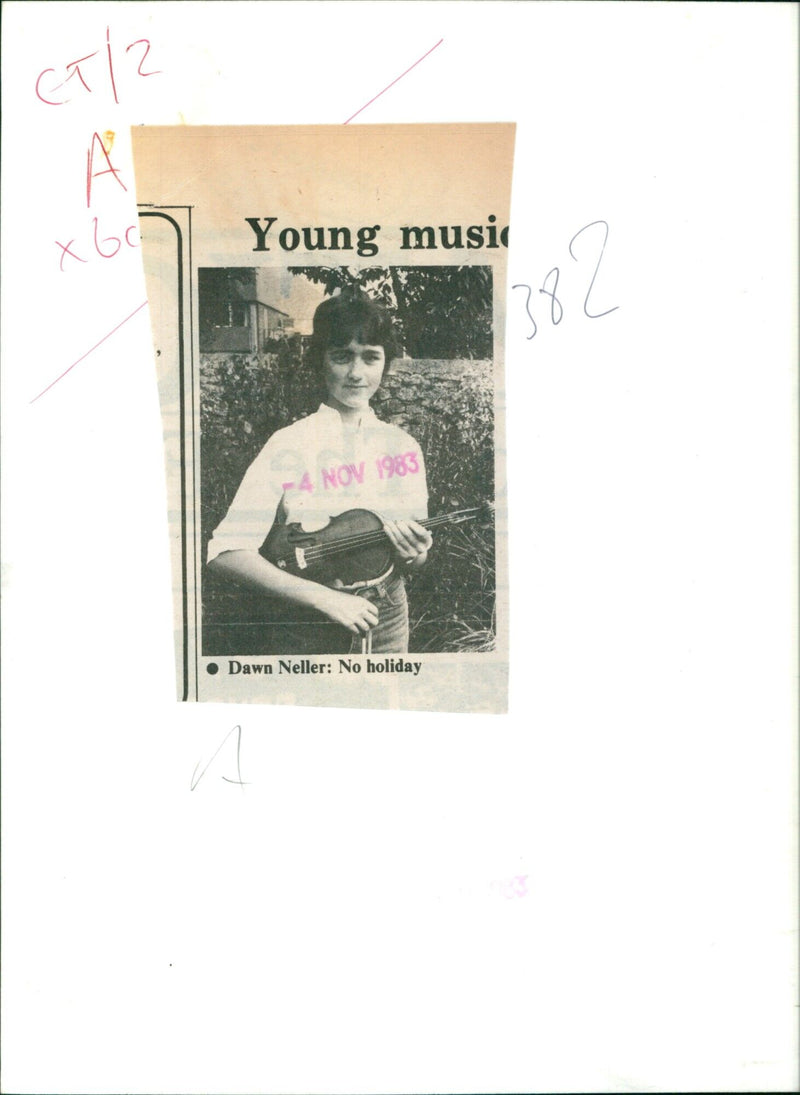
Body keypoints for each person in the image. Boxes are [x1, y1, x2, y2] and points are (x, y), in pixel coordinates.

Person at [206, 288, 433, 653]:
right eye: (342, 357)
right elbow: (226, 553)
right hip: (308, 624)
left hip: (389, 619)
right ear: (321, 360)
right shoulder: (288, 443)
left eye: (371, 358)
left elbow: (413, 559)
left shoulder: (403, 446)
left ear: (384, 364)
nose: (357, 373)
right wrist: (324, 599)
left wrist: (415, 551)